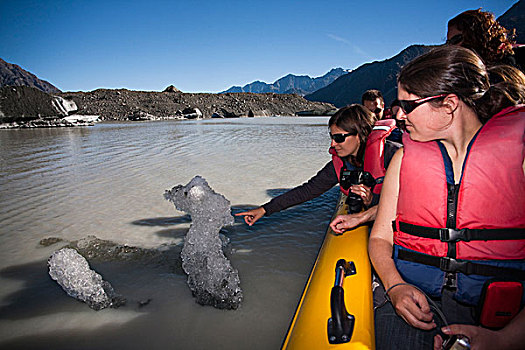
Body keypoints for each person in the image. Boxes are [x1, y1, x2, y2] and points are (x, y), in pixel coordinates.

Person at [368, 45, 525, 350]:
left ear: (449, 104)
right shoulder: (403, 159)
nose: (398, 115)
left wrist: (503, 340)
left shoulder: (520, 162)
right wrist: (395, 285)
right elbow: (380, 239)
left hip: (501, 316)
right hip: (414, 295)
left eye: (408, 105)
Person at [236, 104, 378, 227]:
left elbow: (399, 206)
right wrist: (264, 210)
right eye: (332, 137)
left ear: (360, 135)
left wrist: (373, 201)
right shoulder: (341, 164)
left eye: (339, 138)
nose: (333, 144)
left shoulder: (390, 156)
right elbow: (308, 190)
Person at [447, 9, 523, 70]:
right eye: (449, 42)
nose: (451, 47)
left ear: (477, 36)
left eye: (456, 39)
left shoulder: (506, 70)